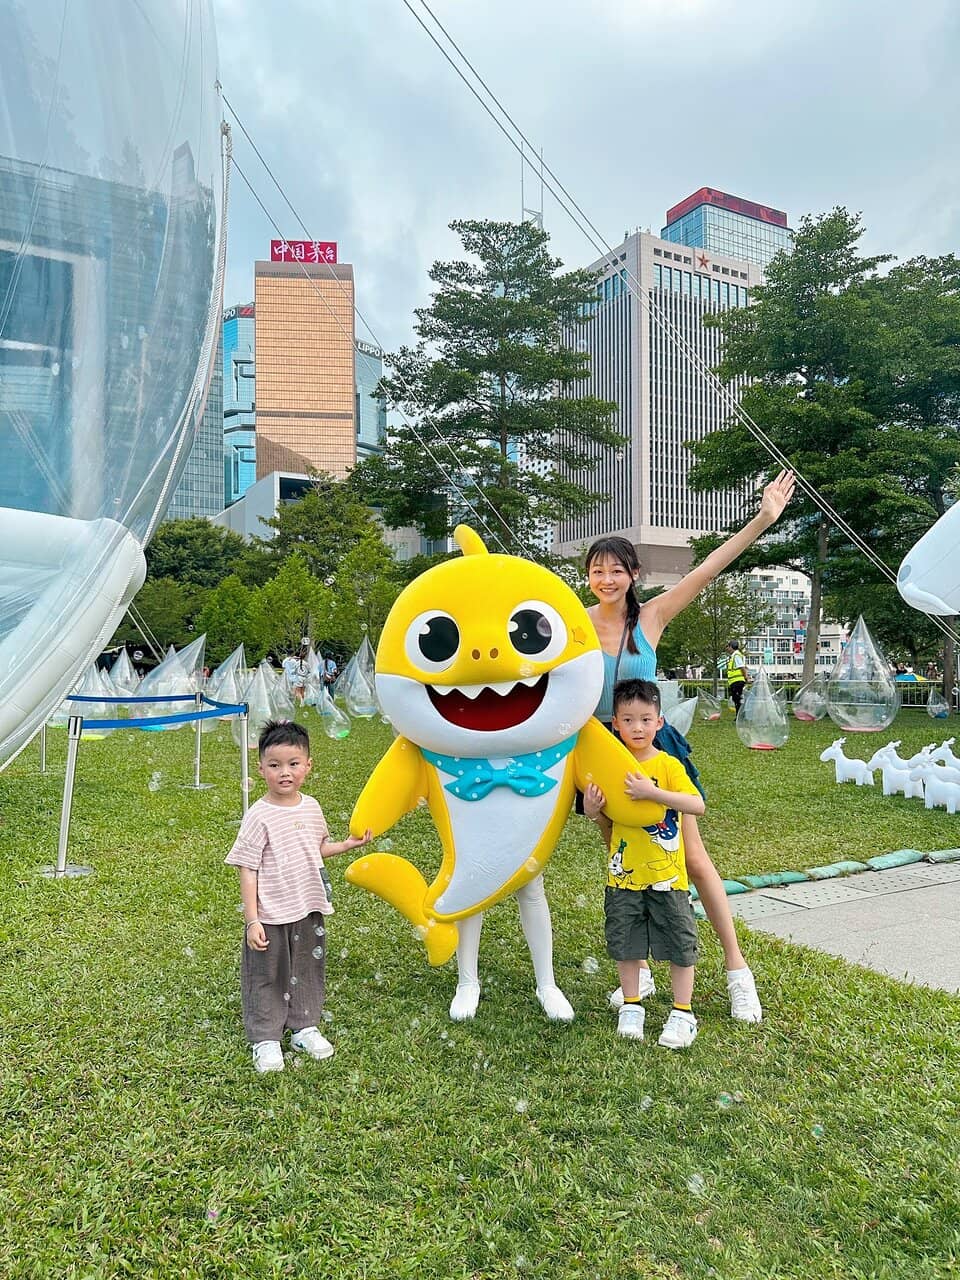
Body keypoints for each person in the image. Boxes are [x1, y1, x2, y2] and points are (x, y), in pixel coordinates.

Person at [584, 469, 795, 1022]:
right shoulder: (572, 625)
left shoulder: (650, 617)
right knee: (622, 859)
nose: (607, 578)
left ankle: (737, 970)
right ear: (588, 576)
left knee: (694, 859)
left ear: (634, 574)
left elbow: (707, 568)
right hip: (602, 755)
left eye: (617, 569)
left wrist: (763, 520)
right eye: (598, 570)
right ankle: (640, 971)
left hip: (654, 749)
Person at [225, 719, 371, 1073]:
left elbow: (316, 848)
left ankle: (303, 1026)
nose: (284, 772)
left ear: (308, 765)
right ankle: (265, 1038)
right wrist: (252, 920)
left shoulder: (312, 807)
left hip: (307, 905)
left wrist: (347, 845)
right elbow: (247, 867)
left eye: (293, 764)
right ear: (261, 769)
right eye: (275, 765)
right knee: (268, 972)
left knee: (306, 967)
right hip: (271, 911)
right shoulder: (258, 815)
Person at [583, 680, 705, 1048]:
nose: (637, 727)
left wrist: (653, 793)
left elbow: (696, 804)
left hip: (668, 878)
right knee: (626, 944)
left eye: (646, 719)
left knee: (680, 943)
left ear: (659, 722)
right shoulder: (611, 768)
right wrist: (593, 811)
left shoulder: (668, 765)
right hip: (624, 878)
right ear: (615, 724)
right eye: (628, 720)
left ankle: (683, 1013)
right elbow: (610, 822)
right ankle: (632, 1005)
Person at [724, 640, 751, 712]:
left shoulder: (736, 655)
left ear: (731, 647)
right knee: (736, 699)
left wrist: (746, 677)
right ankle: (739, 714)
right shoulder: (734, 656)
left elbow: (742, 667)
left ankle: (740, 715)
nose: (727, 648)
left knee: (737, 700)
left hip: (737, 681)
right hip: (735, 681)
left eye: (728, 646)